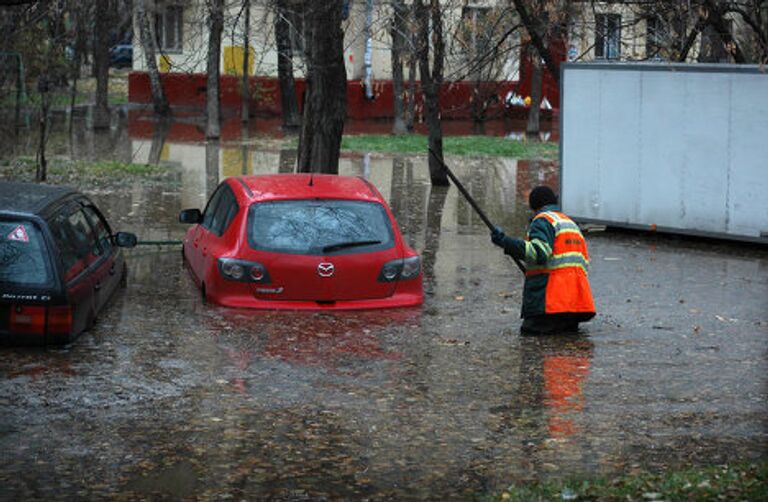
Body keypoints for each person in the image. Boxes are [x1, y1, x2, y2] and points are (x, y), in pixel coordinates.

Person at [491, 186, 595, 335]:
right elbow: (582, 264)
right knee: (569, 353)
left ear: (534, 207)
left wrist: (506, 242)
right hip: (576, 305)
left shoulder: (542, 220)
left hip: (550, 304)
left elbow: (539, 253)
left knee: (533, 347)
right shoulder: (571, 225)